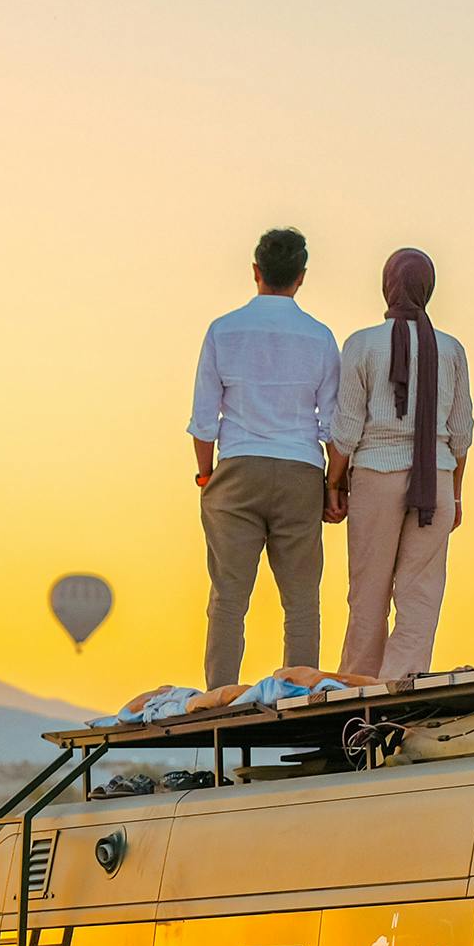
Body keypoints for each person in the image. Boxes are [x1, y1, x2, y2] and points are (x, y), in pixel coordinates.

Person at [187, 227, 340, 689]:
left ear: (256, 271)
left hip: (237, 467)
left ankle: (219, 697)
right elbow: (332, 424)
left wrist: (206, 474)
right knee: (301, 601)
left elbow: (203, 419)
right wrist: (334, 486)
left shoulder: (223, 330)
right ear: (301, 277)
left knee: (229, 597)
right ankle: (298, 695)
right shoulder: (319, 336)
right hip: (300, 470)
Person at [330, 247, 471, 681]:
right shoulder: (451, 350)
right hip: (437, 482)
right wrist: (456, 493)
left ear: (387, 286)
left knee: (368, 594)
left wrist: (333, 483)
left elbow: (347, 427)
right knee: (421, 597)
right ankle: (401, 687)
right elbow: (462, 430)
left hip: (375, 478)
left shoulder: (361, 345)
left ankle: (358, 690)